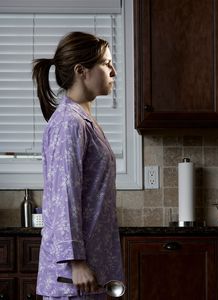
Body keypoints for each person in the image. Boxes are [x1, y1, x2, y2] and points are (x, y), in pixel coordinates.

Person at [32, 31, 123, 299]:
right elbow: (63, 197)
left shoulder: (83, 120)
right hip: (73, 279)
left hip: (89, 275)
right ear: (82, 71)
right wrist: (76, 263)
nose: (113, 71)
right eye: (106, 64)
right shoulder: (69, 123)